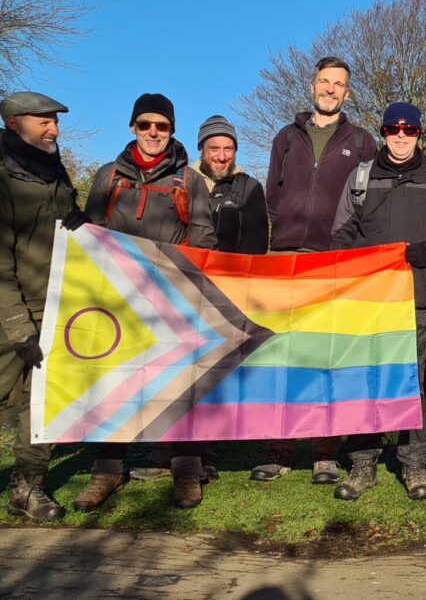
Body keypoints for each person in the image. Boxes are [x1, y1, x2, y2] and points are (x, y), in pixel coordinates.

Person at [74, 93, 217, 511]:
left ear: (172, 131)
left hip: (173, 295)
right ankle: (107, 469)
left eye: (162, 126)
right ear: (133, 127)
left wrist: (183, 282)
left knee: (179, 382)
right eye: (145, 125)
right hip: (116, 297)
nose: (154, 133)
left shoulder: (188, 180)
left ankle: (186, 470)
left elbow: (205, 237)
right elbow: (92, 232)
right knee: (114, 382)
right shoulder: (108, 176)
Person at [330, 102, 426, 502]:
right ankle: (363, 461)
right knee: (366, 378)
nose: (401, 136)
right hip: (370, 298)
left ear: (419, 134)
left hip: (420, 295)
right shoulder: (361, 177)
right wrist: (358, 270)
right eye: (393, 129)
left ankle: (414, 463)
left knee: (417, 383)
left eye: (409, 130)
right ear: (384, 132)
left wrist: (424, 254)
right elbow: (341, 235)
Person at [251, 56, 375, 484]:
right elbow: (273, 194)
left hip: (334, 260)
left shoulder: (362, 142)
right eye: (324, 81)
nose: (330, 89)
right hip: (285, 257)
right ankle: (278, 449)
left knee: (326, 357)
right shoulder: (286, 137)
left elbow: (368, 202)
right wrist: (285, 231)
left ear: (347, 92)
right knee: (282, 356)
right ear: (312, 86)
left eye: (338, 84)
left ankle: (324, 452)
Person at [0, 91, 89, 521]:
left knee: (43, 406)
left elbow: (61, 232)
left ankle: (27, 488)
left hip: (52, 307)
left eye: (56, 121)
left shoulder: (54, 171)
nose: (54, 130)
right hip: (9, 313)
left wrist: (80, 222)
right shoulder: (4, 176)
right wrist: (19, 329)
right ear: (15, 124)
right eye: (44, 122)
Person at [195, 115, 269, 255]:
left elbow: (256, 248)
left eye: (228, 149)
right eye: (214, 148)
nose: (222, 157)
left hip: (232, 273)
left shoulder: (250, 187)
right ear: (201, 150)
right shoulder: (183, 184)